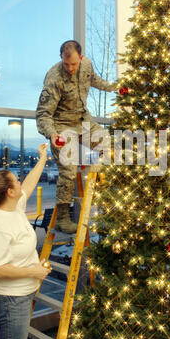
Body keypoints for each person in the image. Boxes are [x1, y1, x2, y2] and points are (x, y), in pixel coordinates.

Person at [0, 143, 51, 339]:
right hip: (10, 300)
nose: (21, 183)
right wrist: (34, 272)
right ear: (10, 191)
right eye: (16, 181)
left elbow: (29, 184)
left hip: (22, 293)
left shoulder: (14, 208)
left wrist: (42, 158)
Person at [36, 40, 116, 234]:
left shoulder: (86, 64)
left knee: (108, 145)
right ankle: (63, 217)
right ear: (61, 58)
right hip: (62, 126)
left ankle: (104, 194)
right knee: (68, 169)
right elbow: (43, 114)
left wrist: (113, 87)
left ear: (80, 57)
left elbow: (94, 79)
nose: (70, 68)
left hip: (83, 121)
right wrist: (52, 133)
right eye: (66, 64)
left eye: (73, 64)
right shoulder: (54, 79)